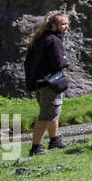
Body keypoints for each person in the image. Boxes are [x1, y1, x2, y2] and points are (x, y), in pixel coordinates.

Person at [24, 11, 70, 156]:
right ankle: (36, 147)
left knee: (50, 113)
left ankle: (55, 140)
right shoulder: (53, 40)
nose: (66, 27)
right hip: (50, 83)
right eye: (63, 24)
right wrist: (65, 61)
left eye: (67, 23)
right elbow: (58, 63)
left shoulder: (39, 39)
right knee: (48, 114)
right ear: (53, 25)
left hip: (39, 83)